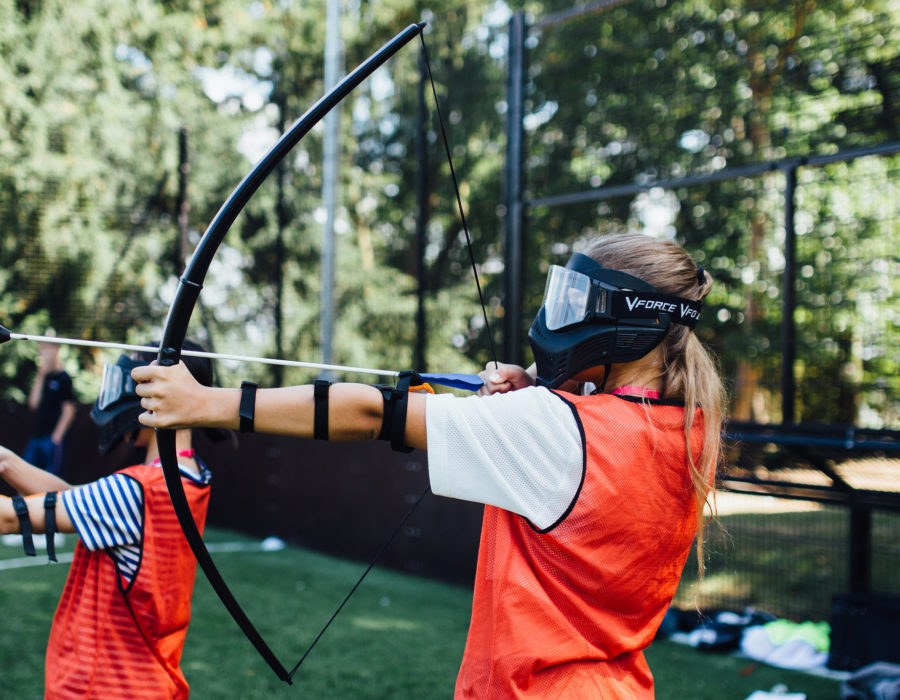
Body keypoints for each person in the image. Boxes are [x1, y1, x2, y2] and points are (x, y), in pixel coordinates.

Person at [132, 233, 725, 699]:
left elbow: (371, 413)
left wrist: (204, 403)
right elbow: (606, 430)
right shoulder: (692, 431)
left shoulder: (556, 429)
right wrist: (546, 391)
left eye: (581, 302)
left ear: (632, 318)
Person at [0, 340, 217, 700]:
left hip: (99, 687)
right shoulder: (189, 476)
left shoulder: (139, 490)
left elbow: (8, 519)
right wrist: (6, 463)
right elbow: (81, 501)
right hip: (147, 685)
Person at [23, 340, 77, 476]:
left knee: (51, 477)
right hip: (37, 436)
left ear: (56, 349)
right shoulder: (44, 377)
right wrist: (41, 375)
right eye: (41, 349)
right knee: (25, 473)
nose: (42, 353)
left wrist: (56, 437)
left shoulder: (64, 378)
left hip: (52, 439)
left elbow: (69, 411)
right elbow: (33, 404)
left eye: (46, 348)